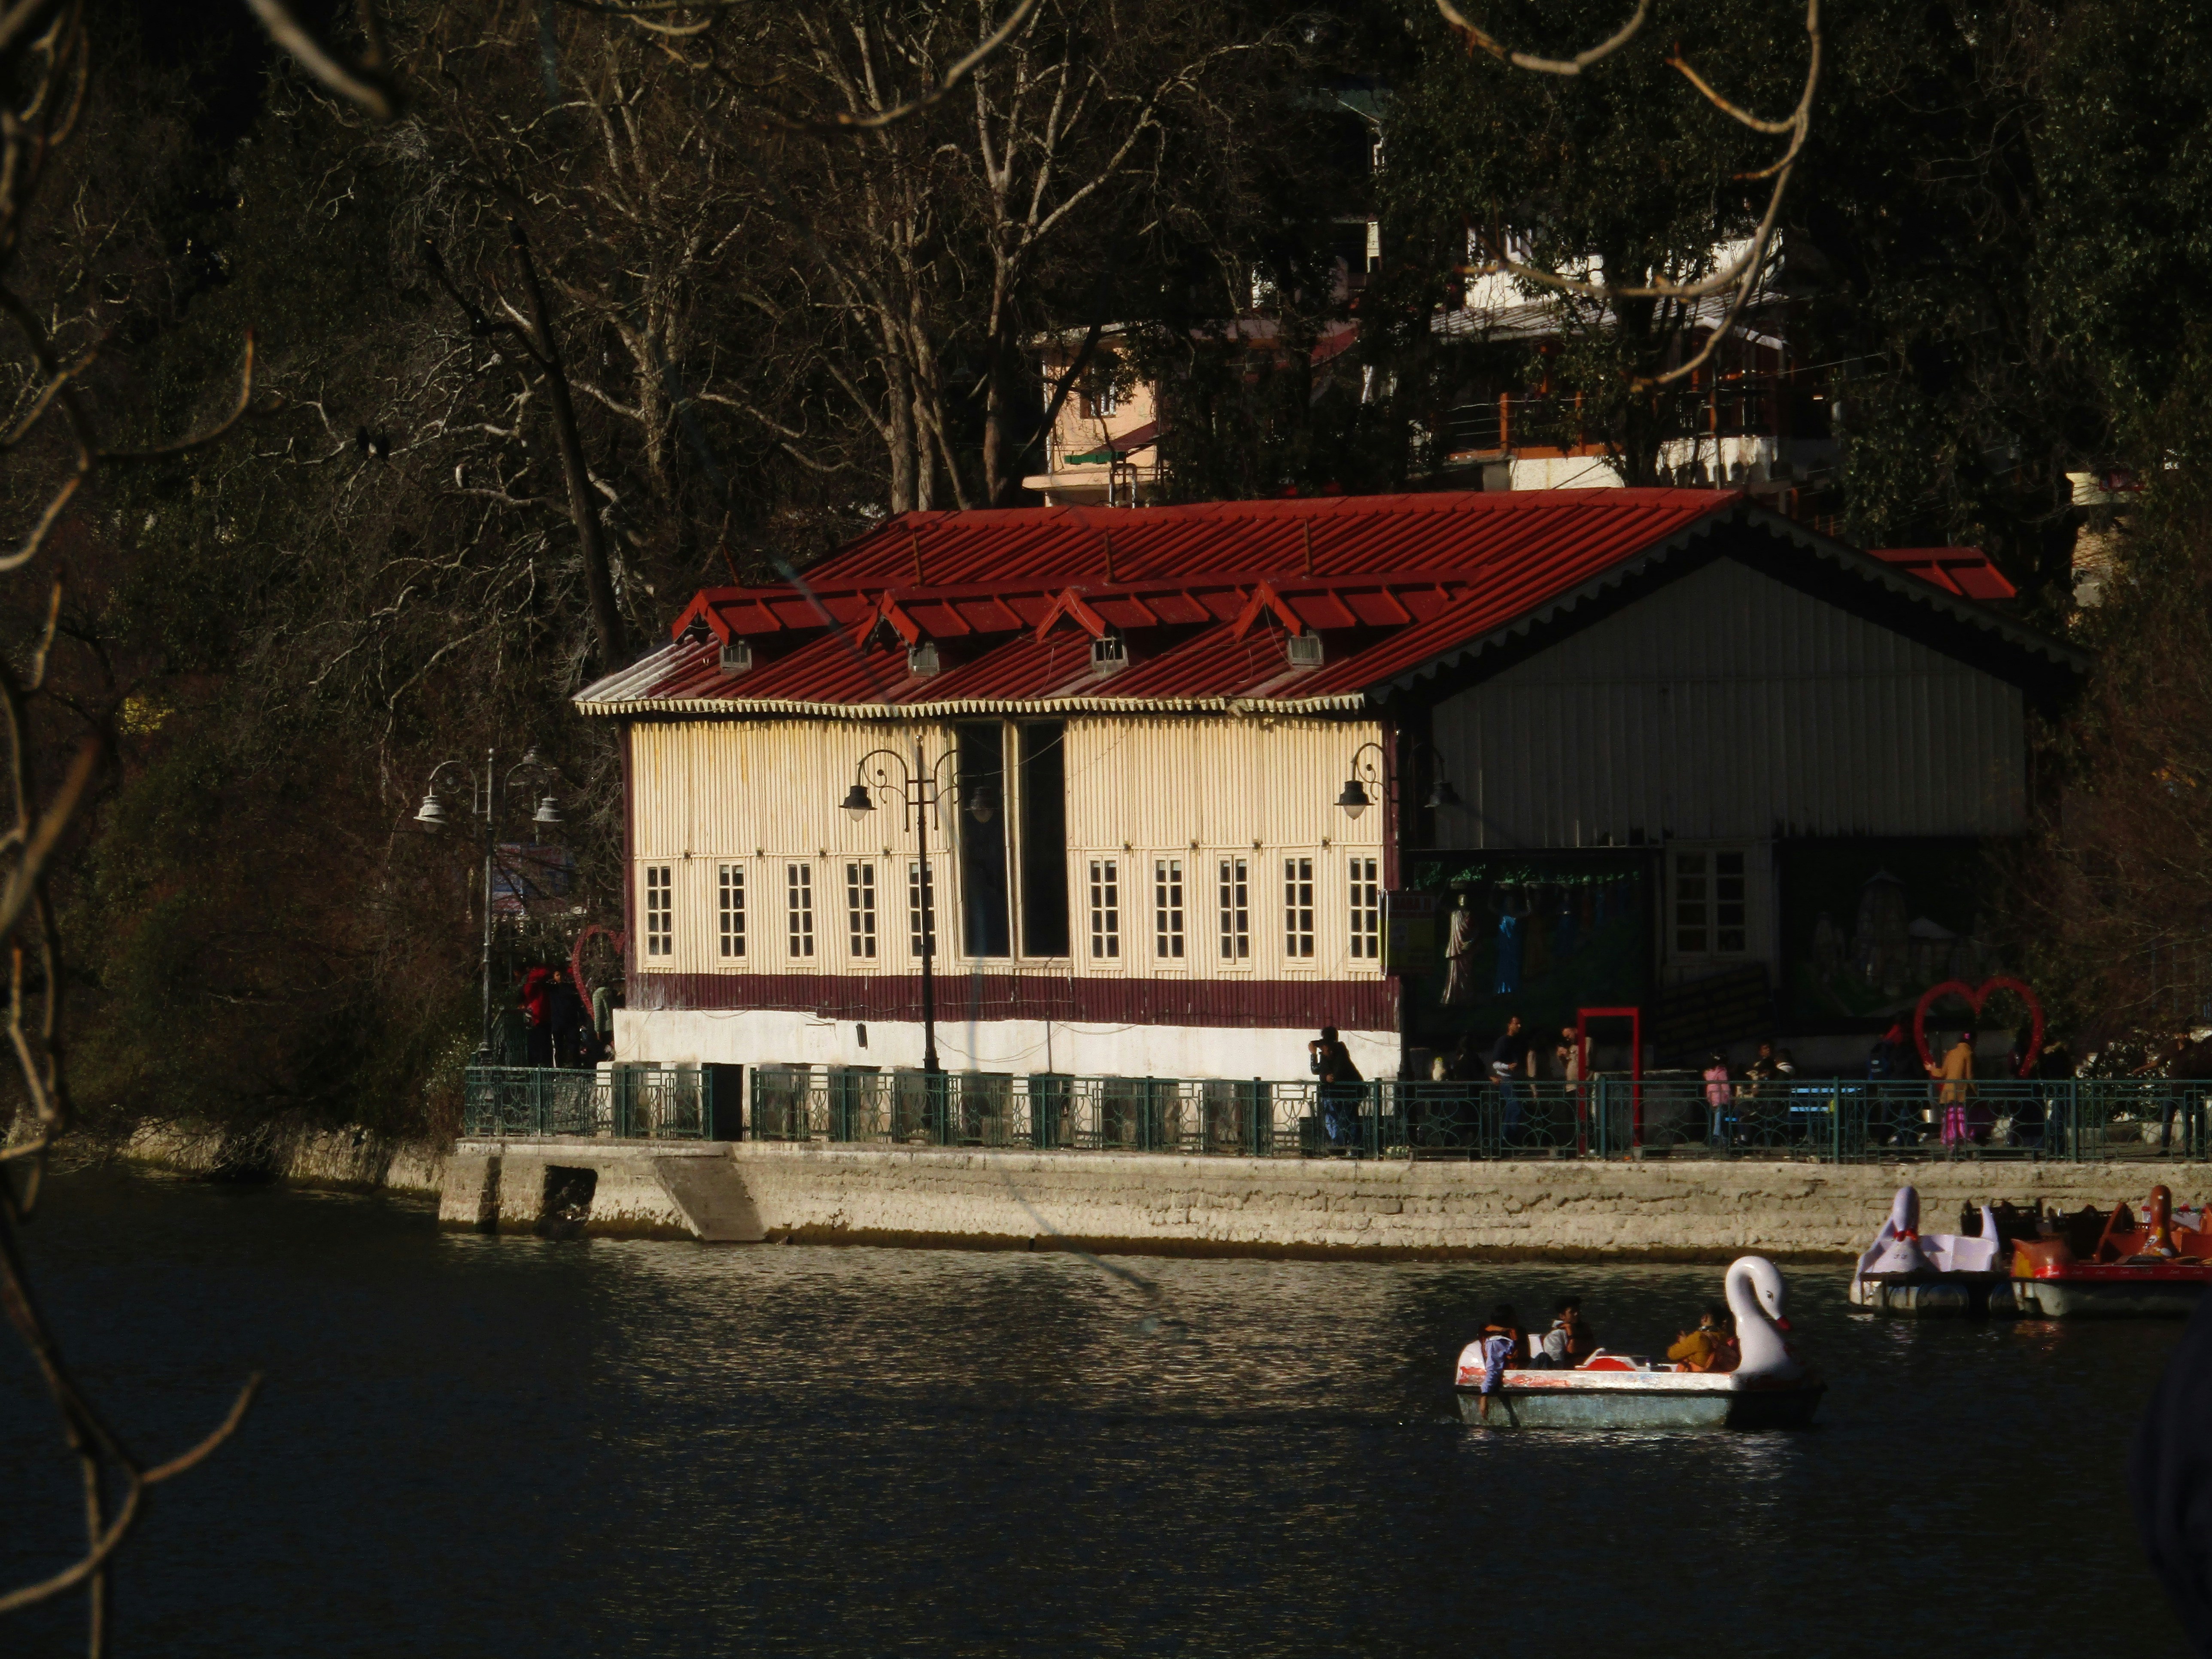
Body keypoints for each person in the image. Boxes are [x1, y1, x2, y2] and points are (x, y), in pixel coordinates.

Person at [1309, 1025, 1363, 1152]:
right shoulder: (1326, 1056)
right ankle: (1339, 1146)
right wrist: (1314, 1055)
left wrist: (1327, 1077)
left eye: (1324, 1046)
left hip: (1350, 1093)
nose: (1322, 1049)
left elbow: (1336, 1075)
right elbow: (1317, 1071)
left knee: (1349, 1121)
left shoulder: (1340, 1053)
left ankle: (1354, 1149)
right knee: (1334, 1120)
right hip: (1336, 1094)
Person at [1474, 1303, 1522, 1422]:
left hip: (1523, 1372)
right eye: (1514, 1317)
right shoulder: (1496, 1342)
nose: (1517, 1319)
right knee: (1543, 1358)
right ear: (1506, 1321)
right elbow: (1493, 1369)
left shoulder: (1509, 1338)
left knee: (1544, 1358)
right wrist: (1484, 1396)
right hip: (1509, 1380)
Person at [1929, 1028, 1977, 1146]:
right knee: (1961, 1120)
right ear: (1973, 1041)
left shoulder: (1951, 1053)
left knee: (1950, 1120)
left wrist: (1932, 1069)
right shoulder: (1969, 1054)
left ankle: (1951, 1144)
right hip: (1961, 1094)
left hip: (1948, 1093)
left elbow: (1942, 1073)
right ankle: (1961, 1144)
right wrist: (1977, 1092)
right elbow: (1970, 1076)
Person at [1489, 1014, 1531, 1146]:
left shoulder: (1518, 1041)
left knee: (1511, 1110)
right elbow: (1495, 1064)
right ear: (1509, 1025)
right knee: (1515, 1108)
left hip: (1516, 1079)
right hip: (1506, 1079)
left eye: (1520, 1024)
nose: (1519, 1026)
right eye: (1516, 1024)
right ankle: (1510, 1140)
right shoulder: (1503, 1041)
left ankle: (1505, 1141)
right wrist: (1508, 1067)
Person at [1667, 1304, 1732, 1373]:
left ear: (1705, 1318)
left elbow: (1672, 1354)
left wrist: (1684, 1342)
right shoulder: (1724, 1337)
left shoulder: (1699, 1337)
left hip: (1695, 1379)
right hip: (1714, 1375)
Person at [1538, 1296, 1600, 1368]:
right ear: (1562, 1316)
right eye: (1572, 1312)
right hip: (1571, 1372)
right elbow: (1556, 1362)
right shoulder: (1556, 1335)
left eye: (1578, 1311)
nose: (1577, 1314)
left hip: (1586, 1369)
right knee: (1601, 1351)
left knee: (1601, 1352)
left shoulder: (1584, 1331)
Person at [521, 966, 553, 1067]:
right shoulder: (539, 987)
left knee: (539, 1044)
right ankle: (542, 1064)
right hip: (540, 1017)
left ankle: (539, 1065)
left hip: (539, 1017)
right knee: (542, 1044)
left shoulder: (535, 985)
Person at [1703, 1052, 1733, 1147]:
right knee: (1722, 1120)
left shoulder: (1709, 1074)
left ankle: (1724, 1140)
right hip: (1722, 1099)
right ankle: (1717, 1139)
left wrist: (1709, 1098)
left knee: (1721, 1119)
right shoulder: (1721, 1072)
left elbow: (1710, 1088)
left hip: (1713, 1100)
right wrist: (1730, 1097)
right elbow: (1725, 1086)